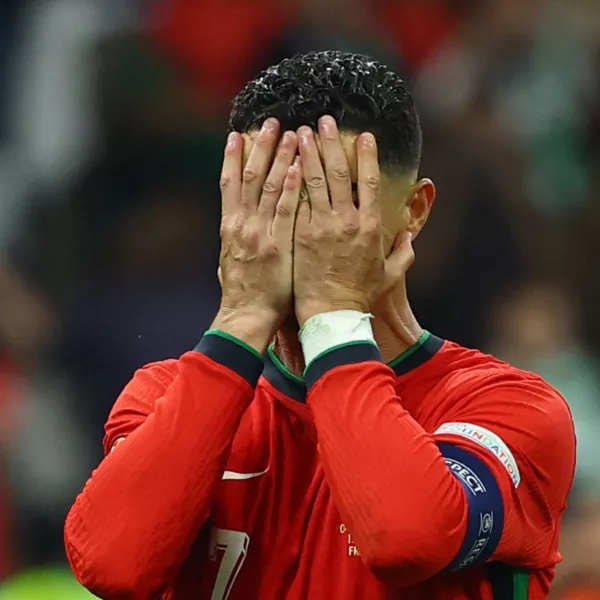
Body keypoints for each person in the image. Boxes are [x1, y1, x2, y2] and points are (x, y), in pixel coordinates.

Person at [64, 51, 576, 600]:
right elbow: (110, 564)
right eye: (270, 196)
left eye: (337, 199)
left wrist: (332, 318)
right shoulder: (164, 395)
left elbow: (408, 538)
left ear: (415, 210)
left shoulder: (509, 408)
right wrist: (242, 318)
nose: (302, 229)